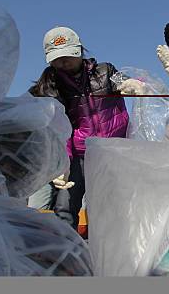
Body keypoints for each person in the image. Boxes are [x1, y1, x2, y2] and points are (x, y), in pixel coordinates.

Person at [28, 26, 142, 229]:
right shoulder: (49, 86)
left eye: (68, 56)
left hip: (111, 152)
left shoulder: (105, 72)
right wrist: (62, 162)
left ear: (80, 51)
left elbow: (124, 83)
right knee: (66, 206)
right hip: (78, 155)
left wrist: (133, 84)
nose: (64, 62)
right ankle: (67, 254)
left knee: (111, 205)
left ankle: (112, 251)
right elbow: (58, 128)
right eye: (57, 58)